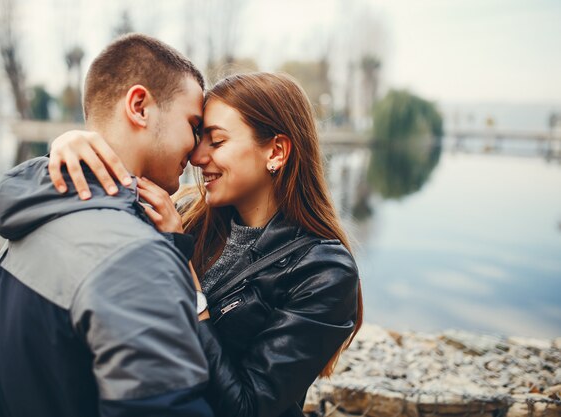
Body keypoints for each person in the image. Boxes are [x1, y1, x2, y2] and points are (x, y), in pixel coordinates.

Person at [45, 72, 364, 417]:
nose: (196, 156)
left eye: (217, 141)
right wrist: (73, 146)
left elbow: (246, 408)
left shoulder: (323, 272)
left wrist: (182, 269)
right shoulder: (184, 213)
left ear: (276, 150)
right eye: (199, 138)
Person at [0, 34, 214, 417]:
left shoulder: (36, 213)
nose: (197, 151)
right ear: (140, 106)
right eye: (193, 125)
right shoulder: (135, 258)